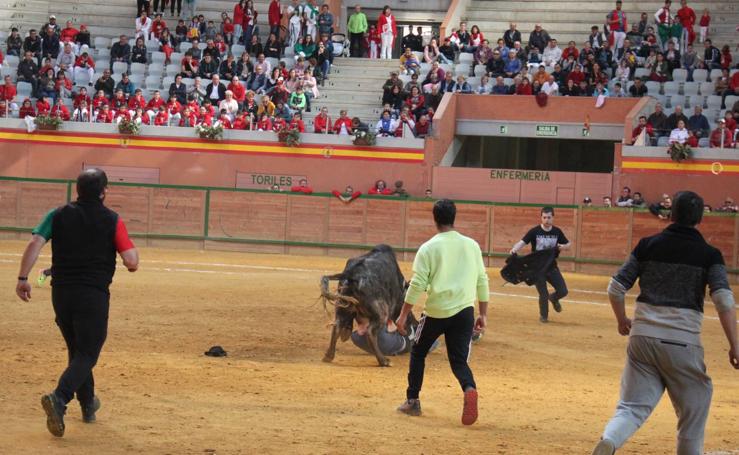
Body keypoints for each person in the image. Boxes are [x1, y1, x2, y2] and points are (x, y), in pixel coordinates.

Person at [591, 191, 738, 455]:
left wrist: (622, 320)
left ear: (671, 215)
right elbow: (725, 302)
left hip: (642, 337)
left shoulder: (647, 245)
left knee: (632, 407)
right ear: (700, 219)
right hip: (683, 341)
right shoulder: (709, 254)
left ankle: (610, 440)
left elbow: (615, 289)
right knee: (694, 407)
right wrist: (735, 345)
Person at [15, 169, 139, 438]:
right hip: (92, 295)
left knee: (77, 350)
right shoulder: (113, 220)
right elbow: (131, 261)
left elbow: (35, 242)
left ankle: (88, 404)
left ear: (77, 190)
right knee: (88, 353)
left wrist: (23, 277)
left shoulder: (57, 214)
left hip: (61, 293)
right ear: (104, 191)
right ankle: (59, 398)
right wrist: (132, 255)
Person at [396, 199, 489, 426]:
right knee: (458, 360)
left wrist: (403, 314)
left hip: (437, 312)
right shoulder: (472, 245)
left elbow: (417, 285)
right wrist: (483, 313)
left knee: (418, 352)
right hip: (465, 311)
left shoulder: (428, 248)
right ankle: (469, 388)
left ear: (435, 218)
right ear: (454, 217)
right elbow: (482, 280)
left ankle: (413, 400)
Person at [510, 207, 571, 322]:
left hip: (551, 266)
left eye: (549, 217)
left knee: (563, 291)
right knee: (543, 294)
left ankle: (553, 298)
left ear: (553, 218)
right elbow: (523, 242)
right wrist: (514, 249)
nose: (547, 220)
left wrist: (564, 247)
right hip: (537, 268)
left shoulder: (557, 232)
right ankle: (544, 316)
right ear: (541, 218)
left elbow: (568, 244)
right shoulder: (535, 231)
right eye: (544, 217)